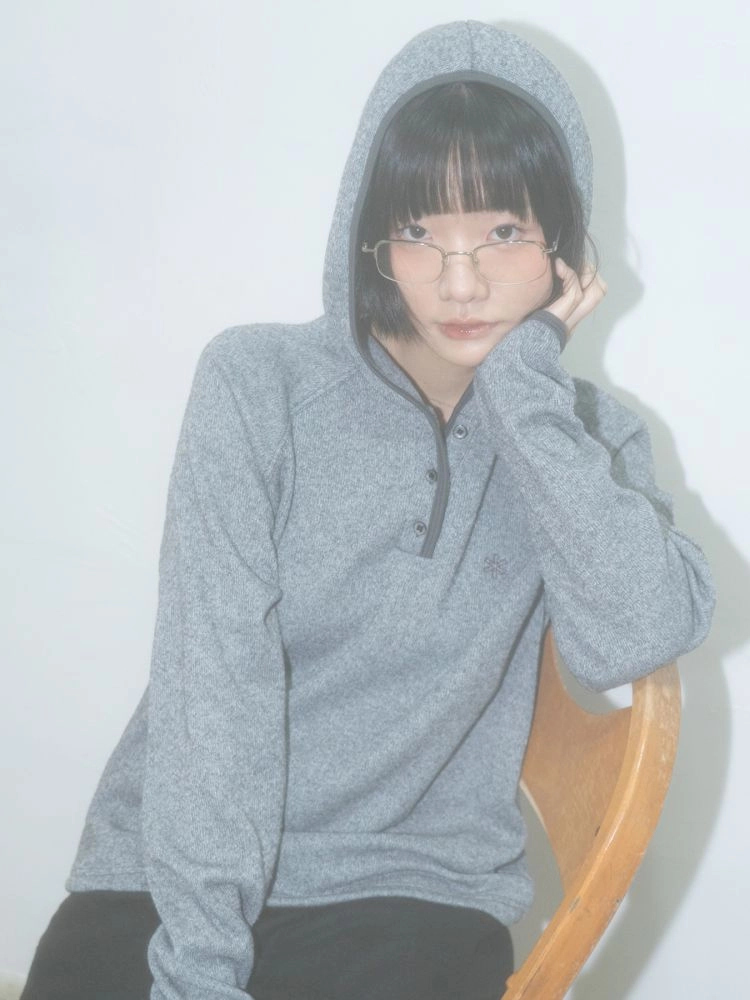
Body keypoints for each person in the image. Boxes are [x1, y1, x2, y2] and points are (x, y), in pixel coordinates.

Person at [21, 19, 715, 1000]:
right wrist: (200, 970)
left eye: (503, 232)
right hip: (168, 878)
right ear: (371, 236)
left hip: (414, 891)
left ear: (565, 245)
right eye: (420, 232)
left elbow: (638, 633)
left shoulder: (581, 435)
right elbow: (213, 688)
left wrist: (526, 395)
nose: (461, 281)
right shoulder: (257, 384)